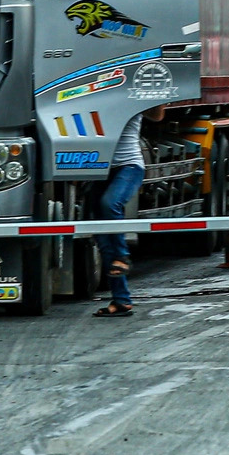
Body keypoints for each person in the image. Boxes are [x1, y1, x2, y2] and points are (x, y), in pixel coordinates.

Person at [94, 108, 161, 317]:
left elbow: (158, 115)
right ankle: (121, 300)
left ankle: (123, 255)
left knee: (109, 204)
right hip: (97, 168)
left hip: (128, 166)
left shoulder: (129, 92)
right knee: (103, 239)